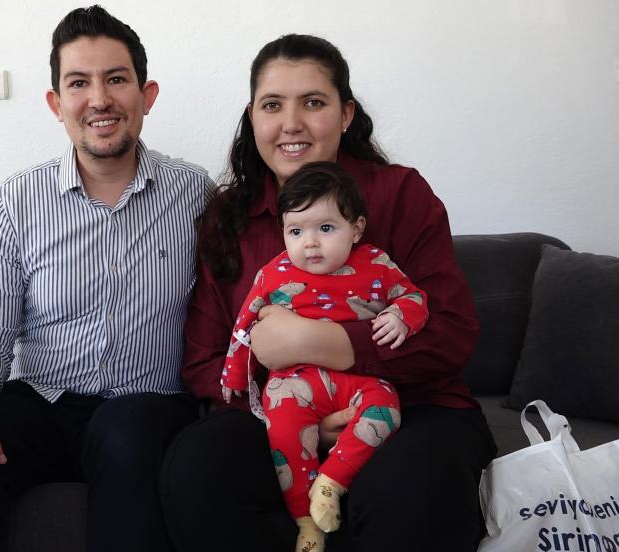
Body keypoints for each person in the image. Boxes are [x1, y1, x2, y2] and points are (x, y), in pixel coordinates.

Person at [161, 34, 497, 552]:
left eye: (313, 102)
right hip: (275, 416)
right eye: (273, 105)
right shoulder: (229, 216)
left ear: (346, 115)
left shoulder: (401, 194)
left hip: (412, 410)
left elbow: (452, 334)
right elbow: (204, 361)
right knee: (197, 465)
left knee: (413, 488)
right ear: (253, 118)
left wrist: (321, 344)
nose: (291, 123)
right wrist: (296, 414)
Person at [0, 6, 214, 552]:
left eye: (116, 79)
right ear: (56, 103)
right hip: (42, 400)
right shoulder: (15, 201)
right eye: (78, 83)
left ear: (147, 95)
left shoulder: (196, 195)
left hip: (145, 405)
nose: (99, 99)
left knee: (129, 434)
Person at [221, 161, 428, 551]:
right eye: (296, 231)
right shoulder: (273, 274)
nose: (310, 243)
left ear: (357, 228)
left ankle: (332, 481)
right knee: (282, 430)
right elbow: (244, 326)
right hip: (294, 382)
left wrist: (402, 315)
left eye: (326, 229)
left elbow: (415, 297)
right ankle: (306, 522)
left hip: (360, 379)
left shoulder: (377, 265)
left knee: (388, 410)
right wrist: (234, 374)